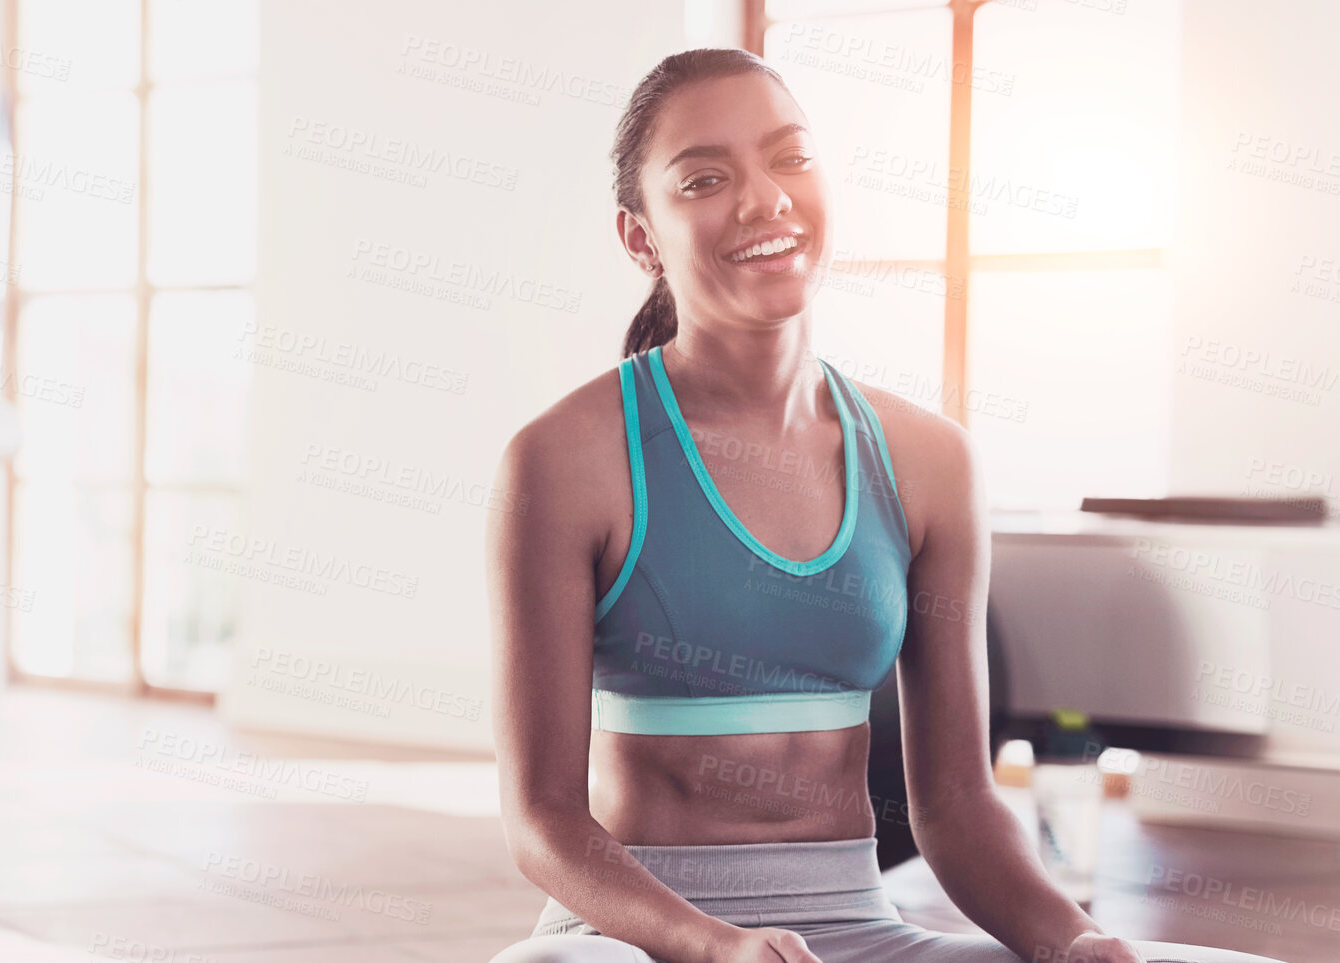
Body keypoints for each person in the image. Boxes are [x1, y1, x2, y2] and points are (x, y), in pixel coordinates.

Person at [480, 48, 1287, 963]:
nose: (764, 200)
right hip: (634, 938)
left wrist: (1074, 942)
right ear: (640, 237)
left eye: (790, 159)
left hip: (855, 933)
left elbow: (958, 805)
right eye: (705, 178)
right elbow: (541, 818)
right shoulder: (563, 460)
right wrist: (714, 946)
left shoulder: (928, 459)